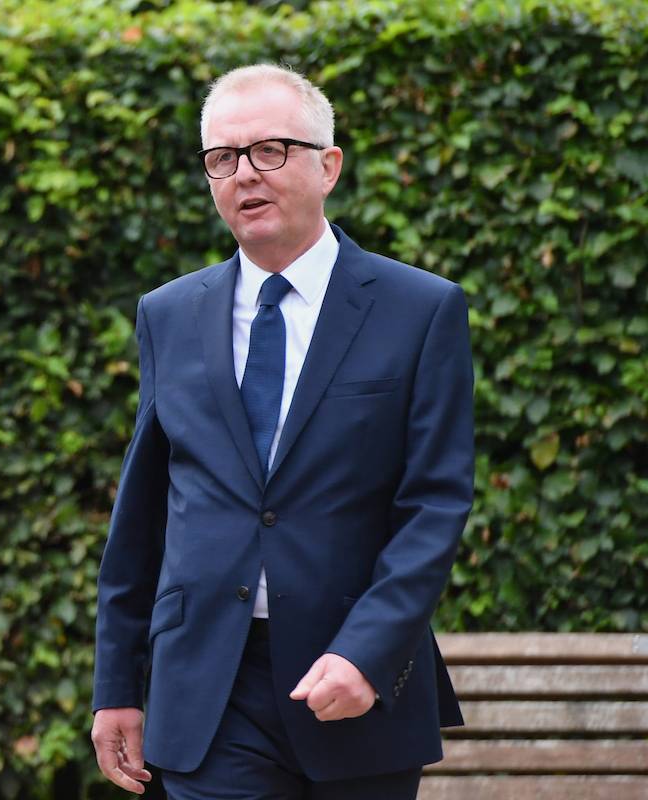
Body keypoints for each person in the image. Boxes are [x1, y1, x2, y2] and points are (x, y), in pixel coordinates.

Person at [90, 64, 473, 799]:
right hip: (208, 690)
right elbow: (139, 518)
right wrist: (117, 684)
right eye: (222, 158)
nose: (243, 175)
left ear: (328, 165)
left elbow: (435, 505)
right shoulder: (167, 315)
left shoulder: (419, 310)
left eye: (270, 150)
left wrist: (368, 652)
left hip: (351, 684)